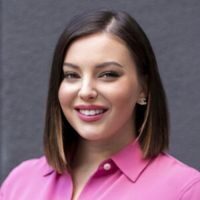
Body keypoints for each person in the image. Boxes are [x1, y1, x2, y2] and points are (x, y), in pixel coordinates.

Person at [0, 10, 200, 200]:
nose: (86, 91)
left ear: (144, 88)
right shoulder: (21, 182)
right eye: (72, 75)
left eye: (108, 74)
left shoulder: (184, 190)